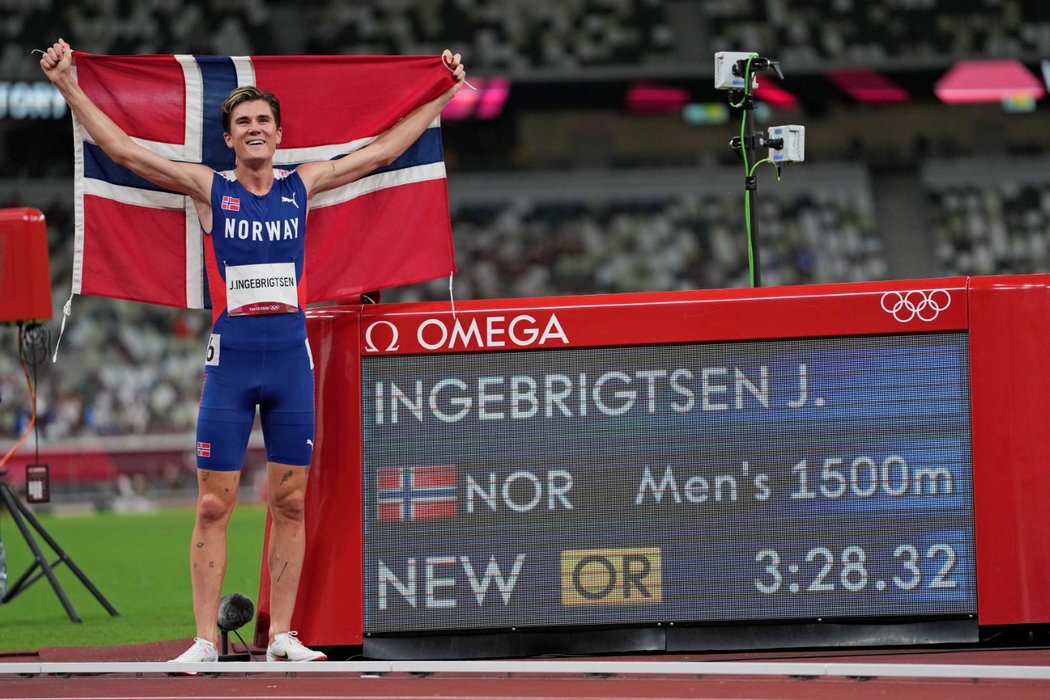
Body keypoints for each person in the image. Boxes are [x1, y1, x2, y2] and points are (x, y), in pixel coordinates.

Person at [40, 38, 466, 664]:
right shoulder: (210, 189)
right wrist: (70, 86)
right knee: (214, 504)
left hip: (291, 362)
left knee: (291, 501)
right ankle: (205, 640)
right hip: (232, 365)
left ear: (279, 133)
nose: (255, 129)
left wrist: (442, 93)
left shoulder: (303, 184)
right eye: (244, 123)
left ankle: (286, 636)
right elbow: (125, 151)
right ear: (231, 139)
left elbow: (383, 152)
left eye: (264, 120)